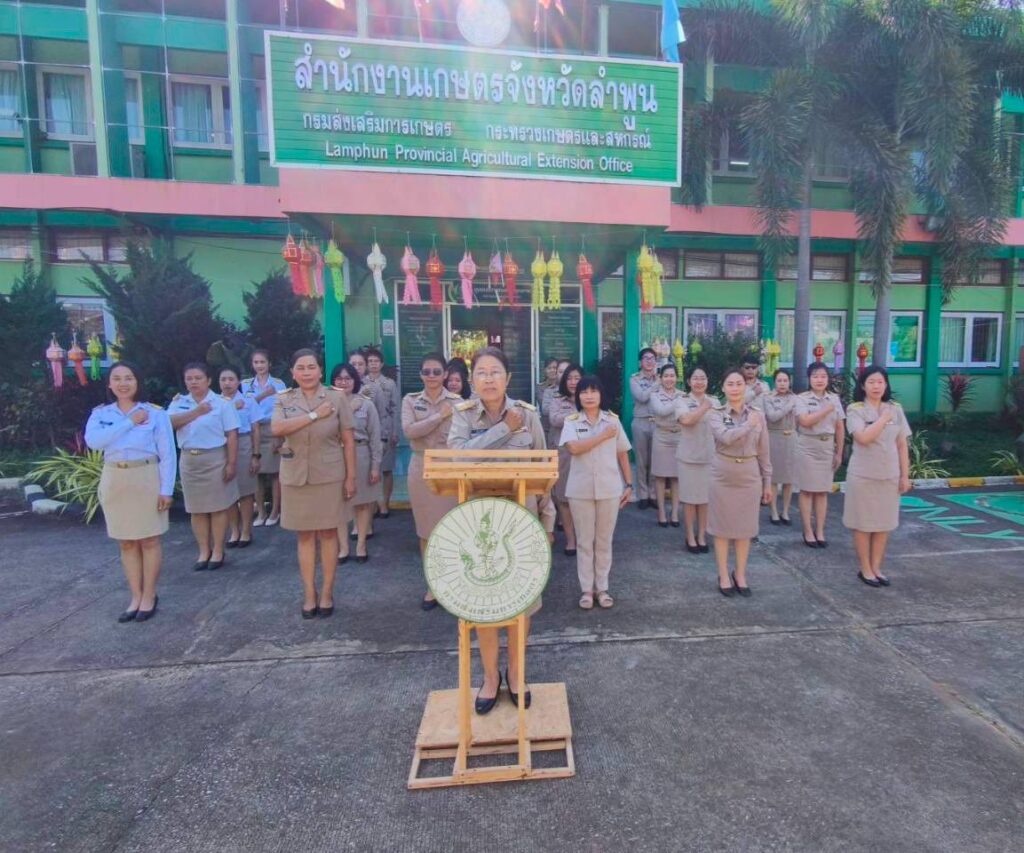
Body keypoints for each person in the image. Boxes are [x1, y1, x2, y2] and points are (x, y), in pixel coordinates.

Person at [448, 347, 555, 715]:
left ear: (508, 378)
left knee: (522, 603)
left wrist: (548, 522)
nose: (489, 378)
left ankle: (516, 672)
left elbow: (545, 472)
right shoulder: (462, 415)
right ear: (471, 379)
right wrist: (502, 430)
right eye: (481, 372)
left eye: (495, 372)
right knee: (485, 605)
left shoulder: (528, 415)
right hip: (478, 524)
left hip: (523, 522)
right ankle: (491, 676)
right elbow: (457, 457)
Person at [85, 361, 176, 623]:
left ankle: (149, 595)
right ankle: (135, 596)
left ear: (138, 381)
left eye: (129, 378)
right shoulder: (101, 413)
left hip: (146, 476)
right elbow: (94, 442)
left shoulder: (155, 413)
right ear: (109, 384)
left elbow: (167, 454)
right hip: (115, 478)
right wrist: (128, 422)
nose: (123, 383)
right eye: (117, 378)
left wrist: (166, 489)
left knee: (149, 540)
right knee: (126, 541)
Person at [272, 349, 357, 619]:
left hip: (329, 475)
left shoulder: (336, 397)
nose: (306, 372)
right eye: (301, 368)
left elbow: (348, 440)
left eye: (311, 367)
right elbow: (277, 429)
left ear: (321, 371)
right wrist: (313, 416)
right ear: (292, 373)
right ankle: (309, 593)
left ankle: (327, 592)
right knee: (305, 536)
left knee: (329, 534)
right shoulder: (284, 399)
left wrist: (351, 477)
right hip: (296, 476)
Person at [560, 375, 632, 609]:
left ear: (601, 394)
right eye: (584, 392)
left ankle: (602, 588)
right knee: (584, 541)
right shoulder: (572, 422)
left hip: (609, 489)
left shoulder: (613, 421)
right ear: (578, 396)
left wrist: (629, 484)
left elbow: (622, 453)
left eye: (593, 391)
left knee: (604, 541)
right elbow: (574, 448)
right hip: (580, 490)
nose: (589, 396)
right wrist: (602, 436)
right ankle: (586, 590)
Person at [402, 353, 463, 610]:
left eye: (437, 372)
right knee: (426, 530)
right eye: (426, 372)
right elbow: (410, 431)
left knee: (452, 528)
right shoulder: (410, 400)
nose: (432, 376)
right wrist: (438, 416)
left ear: (445, 374)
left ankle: (455, 581)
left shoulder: (459, 402)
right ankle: (433, 584)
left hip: (450, 468)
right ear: (420, 375)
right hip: (422, 467)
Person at [843, 366, 912, 587]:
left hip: (889, 475)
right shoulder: (855, 410)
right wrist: (882, 420)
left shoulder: (895, 409)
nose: (876, 386)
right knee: (863, 524)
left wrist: (905, 476)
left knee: (884, 524)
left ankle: (876, 567)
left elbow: (902, 444)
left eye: (880, 382)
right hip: (863, 475)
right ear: (863, 386)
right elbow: (863, 438)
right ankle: (865, 569)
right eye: (871, 382)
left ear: (886, 385)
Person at [168, 362, 240, 572]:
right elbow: (169, 424)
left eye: (198, 378)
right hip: (190, 460)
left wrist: (231, 463)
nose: (194, 382)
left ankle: (218, 550)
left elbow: (232, 434)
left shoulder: (222, 404)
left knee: (218, 507)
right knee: (196, 509)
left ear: (208, 380)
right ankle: (203, 551)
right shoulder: (179, 402)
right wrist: (197, 412)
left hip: (215, 458)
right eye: (189, 379)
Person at [707, 368, 772, 597]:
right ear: (723, 388)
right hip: (723, 475)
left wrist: (767, 481)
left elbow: (764, 450)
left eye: (739, 384)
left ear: (746, 387)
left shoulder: (757, 415)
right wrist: (747, 426)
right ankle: (723, 574)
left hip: (749, 475)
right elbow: (725, 437)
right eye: (730, 384)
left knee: (745, 529)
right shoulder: (716, 414)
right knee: (722, 529)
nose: (735, 388)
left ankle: (740, 574)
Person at [331, 362, 382, 564]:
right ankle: (343, 547)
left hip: (361, 455)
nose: (343, 382)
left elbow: (375, 437)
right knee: (339, 505)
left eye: (348, 378)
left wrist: (375, 466)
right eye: (339, 379)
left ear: (355, 381)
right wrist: (347, 410)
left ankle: (361, 544)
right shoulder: (327, 405)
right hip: (336, 456)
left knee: (362, 503)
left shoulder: (366, 404)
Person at [795, 362, 846, 548]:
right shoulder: (801, 399)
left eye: (823, 376)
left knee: (822, 491)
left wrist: (839, 453)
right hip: (808, 446)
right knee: (807, 490)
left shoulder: (834, 398)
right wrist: (826, 409)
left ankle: (820, 531)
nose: (819, 380)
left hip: (827, 446)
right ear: (809, 379)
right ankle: (808, 530)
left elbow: (840, 427)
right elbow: (805, 421)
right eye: (815, 376)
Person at [674, 366, 719, 554]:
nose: (699, 382)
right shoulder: (681, 400)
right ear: (689, 381)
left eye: (703, 378)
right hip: (689, 458)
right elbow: (686, 420)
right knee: (690, 499)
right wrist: (704, 407)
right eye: (695, 378)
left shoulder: (715, 401)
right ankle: (690, 536)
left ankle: (702, 535)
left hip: (709, 456)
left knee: (705, 499)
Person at [219, 366, 261, 549]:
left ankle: (245, 530)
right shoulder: (214, 403)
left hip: (243, 444)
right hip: (221, 446)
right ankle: (234, 531)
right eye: (223, 379)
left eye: (231, 379)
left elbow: (255, 429)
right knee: (227, 493)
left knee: (245, 491)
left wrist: (255, 455)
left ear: (238, 382)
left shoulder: (248, 401)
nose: (227, 383)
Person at [243, 350, 287, 527]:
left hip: (271, 427)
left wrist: (280, 436)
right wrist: (263, 395)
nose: (259, 365)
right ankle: (261, 511)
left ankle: (275, 510)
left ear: (269, 363)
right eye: (256, 362)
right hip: (253, 430)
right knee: (256, 474)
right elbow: (243, 406)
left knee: (275, 473)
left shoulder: (279, 384)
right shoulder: (245, 384)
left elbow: (285, 409)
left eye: (262, 362)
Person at [546, 363, 583, 555]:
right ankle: (571, 541)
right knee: (564, 498)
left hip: (586, 453)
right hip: (564, 453)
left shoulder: (589, 397)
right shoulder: (557, 399)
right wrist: (578, 415)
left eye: (577, 378)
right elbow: (554, 419)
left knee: (583, 499)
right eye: (569, 378)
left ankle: (584, 539)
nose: (573, 382)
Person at [363, 347, 401, 518]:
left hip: (386, 429)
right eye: (370, 361)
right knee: (370, 470)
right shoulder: (361, 382)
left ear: (382, 364)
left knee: (386, 470)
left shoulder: (389, 384)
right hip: (367, 431)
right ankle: (373, 504)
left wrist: (395, 432)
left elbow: (395, 408)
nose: (373, 364)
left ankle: (385, 503)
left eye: (376, 361)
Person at [649, 363, 684, 527]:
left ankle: (675, 512)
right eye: (666, 376)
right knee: (660, 476)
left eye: (672, 376)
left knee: (677, 477)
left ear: (677, 378)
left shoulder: (683, 395)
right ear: (660, 378)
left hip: (679, 437)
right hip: (661, 437)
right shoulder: (655, 395)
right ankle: (661, 512)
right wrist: (678, 402)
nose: (669, 379)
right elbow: (661, 411)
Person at [764, 369, 797, 525]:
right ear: (774, 382)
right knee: (774, 477)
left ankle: (785, 511)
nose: (782, 384)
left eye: (785, 380)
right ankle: (774, 511)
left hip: (791, 438)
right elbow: (772, 416)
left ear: (789, 382)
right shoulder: (768, 398)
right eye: (779, 380)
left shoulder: (796, 398)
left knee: (789, 478)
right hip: (774, 437)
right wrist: (788, 406)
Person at [629, 347, 659, 509]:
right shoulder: (634, 379)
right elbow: (641, 397)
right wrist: (656, 384)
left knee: (655, 460)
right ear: (640, 362)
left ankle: (653, 494)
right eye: (646, 358)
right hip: (640, 422)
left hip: (657, 422)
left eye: (652, 358)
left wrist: (658, 380)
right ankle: (643, 495)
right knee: (641, 460)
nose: (649, 361)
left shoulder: (661, 378)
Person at [536, 357, 559, 428]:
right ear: (545, 370)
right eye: (549, 368)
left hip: (561, 425)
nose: (552, 370)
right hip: (545, 426)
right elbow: (545, 407)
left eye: (555, 368)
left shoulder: (563, 387)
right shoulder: (539, 387)